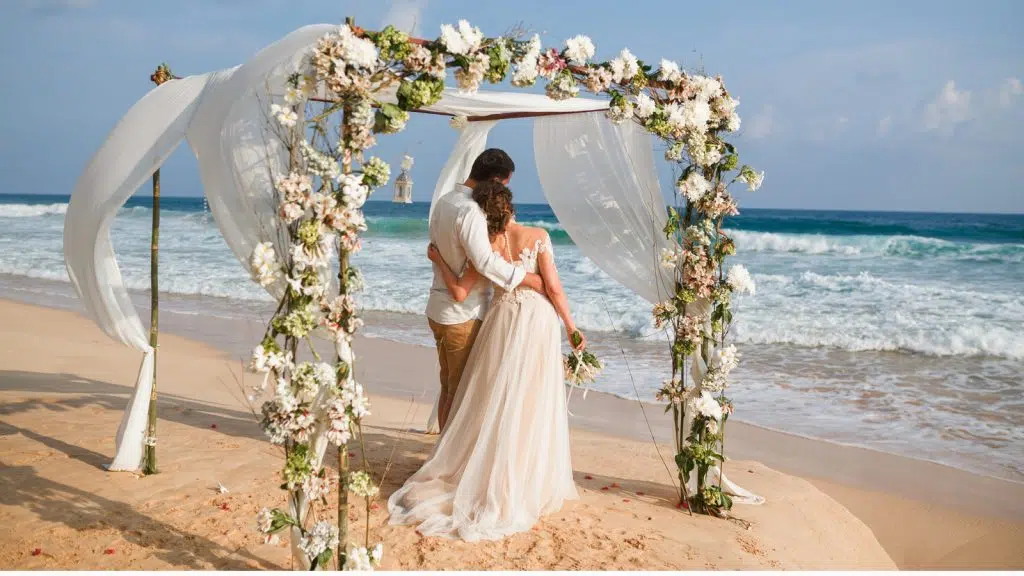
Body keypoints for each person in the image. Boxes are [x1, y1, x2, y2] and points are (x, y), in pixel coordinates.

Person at [388, 180, 585, 541]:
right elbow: (553, 288)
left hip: (500, 320)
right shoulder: (538, 234)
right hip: (536, 322)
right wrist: (572, 328)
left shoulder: (487, 246)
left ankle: (483, 466)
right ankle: (522, 477)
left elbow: (461, 287)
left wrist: (437, 260)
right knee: (530, 398)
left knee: (493, 397)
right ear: (510, 206)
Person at [423, 149, 544, 432]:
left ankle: (444, 452)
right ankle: (447, 459)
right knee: (461, 393)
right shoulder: (470, 211)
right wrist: (528, 278)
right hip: (462, 315)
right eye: (503, 185)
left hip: (438, 308)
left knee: (448, 388)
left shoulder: (444, 202)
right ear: (493, 180)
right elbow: (485, 262)